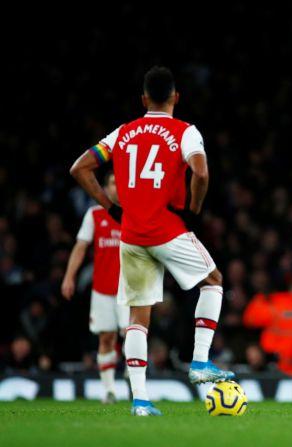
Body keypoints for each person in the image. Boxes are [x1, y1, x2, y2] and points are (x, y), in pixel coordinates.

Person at [70, 66, 234, 416]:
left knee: (137, 319)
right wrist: (194, 209)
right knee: (214, 282)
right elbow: (201, 172)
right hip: (166, 228)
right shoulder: (185, 131)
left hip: (131, 234)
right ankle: (201, 361)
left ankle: (141, 401)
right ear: (176, 97)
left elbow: (79, 168)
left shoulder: (123, 133)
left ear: (143, 99)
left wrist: (110, 207)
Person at [61, 173, 129, 404]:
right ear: (106, 188)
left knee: (131, 335)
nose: (116, 188)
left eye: (120, 183)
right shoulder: (94, 214)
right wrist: (69, 276)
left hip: (129, 288)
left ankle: (134, 373)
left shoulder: (134, 213)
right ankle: (109, 390)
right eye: (112, 183)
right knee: (106, 338)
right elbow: (81, 247)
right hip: (102, 289)